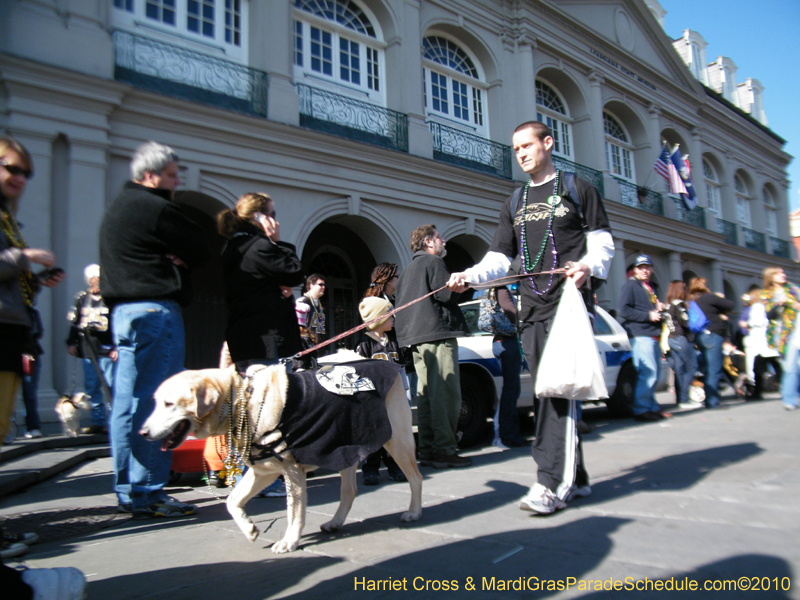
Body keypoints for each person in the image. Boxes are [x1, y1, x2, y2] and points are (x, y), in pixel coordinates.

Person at [448, 120, 614, 514]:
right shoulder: (515, 201)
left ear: (548, 143)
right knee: (548, 392)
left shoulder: (578, 187)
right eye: (515, 148)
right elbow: (500, 258)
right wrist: (469, 276)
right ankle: (578, 477)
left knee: (558, 392)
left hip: (568, 304)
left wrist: (588, 266)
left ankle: (550, 482)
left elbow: (603, 240)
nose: (521, 153)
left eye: (527, 145)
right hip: (531, 309)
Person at [99, 141, 209, 519]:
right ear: (150, 176)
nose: (177, 182)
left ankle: (128, 488)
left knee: (127, 404)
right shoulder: (155, 208)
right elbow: (204, 246)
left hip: (125, 313)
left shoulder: (117, 208)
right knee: (155, 403)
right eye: (171, 175)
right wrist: (182, 258)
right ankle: (148, 491)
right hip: (155, 309)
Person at [0, 137, 86, 598]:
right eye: (12, 167)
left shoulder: (9, 220)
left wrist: (33, 278)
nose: (20, 178)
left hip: (12, 334)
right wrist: (24, 258)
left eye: (26, 172)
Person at [395, 224, 471, 469]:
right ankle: (444, 450)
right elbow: (445, 295)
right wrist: (463, 285)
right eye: (439, 238)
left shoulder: (407, 271)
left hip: (415, 338)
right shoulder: (434, 263)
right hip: (437, 334)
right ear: (428, 242)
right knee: (446, 395)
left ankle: (427, 450)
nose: (444, 241)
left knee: (426, 396)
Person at [217, 192, 304, 365]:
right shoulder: (259, 247)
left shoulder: (233, 247)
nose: (276, 221)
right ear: (259, 217)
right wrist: (277, 242)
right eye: (272, 215)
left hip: (244, 337)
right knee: (271, 391)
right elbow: (294, 273)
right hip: (267, 340)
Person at [355, 296, 407, 485]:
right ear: (378, 318)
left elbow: (400, 368)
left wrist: (404, 390)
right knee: (373, 434)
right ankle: (370, 469)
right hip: (374, 399)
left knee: (393, 433)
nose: (393, 317)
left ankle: (394, 466)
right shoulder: (364, 344)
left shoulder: (393, 342)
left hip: (393, 398)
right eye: (389, 314)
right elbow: (359, 373)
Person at [619, 255, 672, 422]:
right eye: (641, 267)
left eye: (647, 267)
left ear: (652, 269)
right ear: (635, 269)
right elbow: (624, 310)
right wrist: (648, 315)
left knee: (653, 374)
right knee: (647, 373)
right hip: (641, 334)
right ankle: (641, 409)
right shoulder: (631, 286)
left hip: (652, 334)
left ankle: (652, 407)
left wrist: (657, 308)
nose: (645, 270)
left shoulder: (649, 287)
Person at [66, 264, 117, 435]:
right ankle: (98, 421)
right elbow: (75, 322)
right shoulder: (82, 299)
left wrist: (117, 346)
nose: (95, 283)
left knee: (110, 386)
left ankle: (114, 422)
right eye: (93, 280)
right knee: (92, 386)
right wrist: (72, 342)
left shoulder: (110, 299)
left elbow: (118, 323)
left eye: (98, 279)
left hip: (107, 349)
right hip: (89, 349)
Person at [489, 285, 527, 449]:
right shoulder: (502, 289)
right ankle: (506, 436)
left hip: (500, 341)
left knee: (509, 390)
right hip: (507, 343)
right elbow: (511, 311)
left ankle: (502, 435)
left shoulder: (493, 289)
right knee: (511, 390)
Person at [688, 276, 734, 409]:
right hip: (713, 336)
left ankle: (709, 397)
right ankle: (712, 402)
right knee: (714, 370)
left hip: (701, 337)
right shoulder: (709, 297)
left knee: (708, 368)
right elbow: (731, 305)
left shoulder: (693, 300)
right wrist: (720, 298)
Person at [762, 267, 800, 410]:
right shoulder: (767, 294)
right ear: (771, 277)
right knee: (790, 367)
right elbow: (769, 316)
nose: (782, 275)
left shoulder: (794, 290)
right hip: (784, 335)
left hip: (798, 328)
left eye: (783, 273)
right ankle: (790, 399)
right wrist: (779, 304)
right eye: (778, 274)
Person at [664, 280, 700, 409]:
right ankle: (684, 399)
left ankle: (679, 399)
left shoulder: (668, 305)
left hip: (671, 338)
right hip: (680, 337)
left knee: (679, 369)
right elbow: (685, 322)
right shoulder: (679, 304)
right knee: (690, 368)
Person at [745, 287, 781, 399]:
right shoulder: (766, 306)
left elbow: (757, 322)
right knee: (776, 364)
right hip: (767, 341)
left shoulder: (757, 306)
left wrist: (748, 323)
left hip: (760, 341)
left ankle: (757, 392)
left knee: (758, 368)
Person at [21, 307, 44, 438]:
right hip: (9, 354)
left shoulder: (32, 313)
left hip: (29, 355)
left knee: (29, 392)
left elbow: (38, 332)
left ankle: (33, 426)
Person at [296, 273, 327, 357]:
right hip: (307, 345)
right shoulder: (303, 301)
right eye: (320, 284)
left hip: (319, 345)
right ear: (311, 285)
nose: (323, 287)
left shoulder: (320, 304)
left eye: (324, 285)